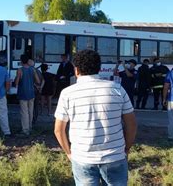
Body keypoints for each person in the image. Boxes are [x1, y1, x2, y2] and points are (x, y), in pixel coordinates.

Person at [54, 49, 137, 186]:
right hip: (115, 156)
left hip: (82, 157)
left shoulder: (67, 93)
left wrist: (69, 153)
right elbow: (132, 124)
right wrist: (127, 148)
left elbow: (58, 130)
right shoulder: (117, 89)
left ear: (76, 70)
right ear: (99, 69)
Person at [14, 54, 40, 136]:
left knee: (24, 112)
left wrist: (17, 78)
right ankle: (30, 127)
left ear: (21, 61)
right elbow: (38, 81)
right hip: (31, 93)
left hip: (23, 93)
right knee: (30, 111)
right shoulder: (33, 70)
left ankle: (25, 130)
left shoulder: (20, 70)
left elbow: (16, 83)